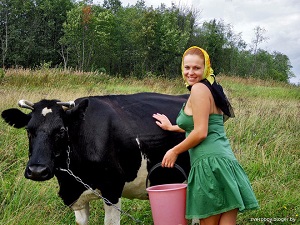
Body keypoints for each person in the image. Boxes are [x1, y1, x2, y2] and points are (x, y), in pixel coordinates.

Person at [152, 46, 259, 225]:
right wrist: (173, 127)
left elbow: (201, 132)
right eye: (187, 67)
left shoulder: (199, 90)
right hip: (224, 162)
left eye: (196, 68)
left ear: (205, 68)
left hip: (208, 166)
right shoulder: (211, 88)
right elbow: (204, 123)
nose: (190, 72)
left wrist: (174, 151)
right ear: (182, 68)